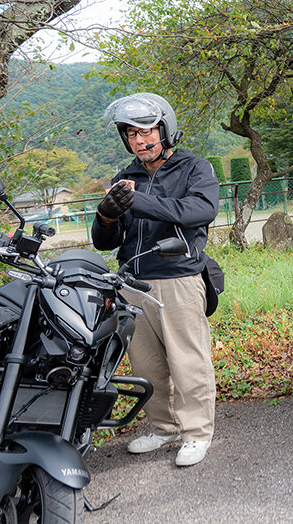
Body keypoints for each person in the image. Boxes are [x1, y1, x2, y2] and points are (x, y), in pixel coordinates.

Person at [90, 92, 219, 468]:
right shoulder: (125, 178)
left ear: (165, 130)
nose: (140, 140)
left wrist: (137, 202)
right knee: (146, 364)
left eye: (146, 131)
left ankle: (197, 432)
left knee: (188, 360)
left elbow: (199, 210)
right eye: (131, 134)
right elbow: (105, 241)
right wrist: (106, 216)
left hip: (178, 277)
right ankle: (165, 428)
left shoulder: (194, 168)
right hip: (134, 282)